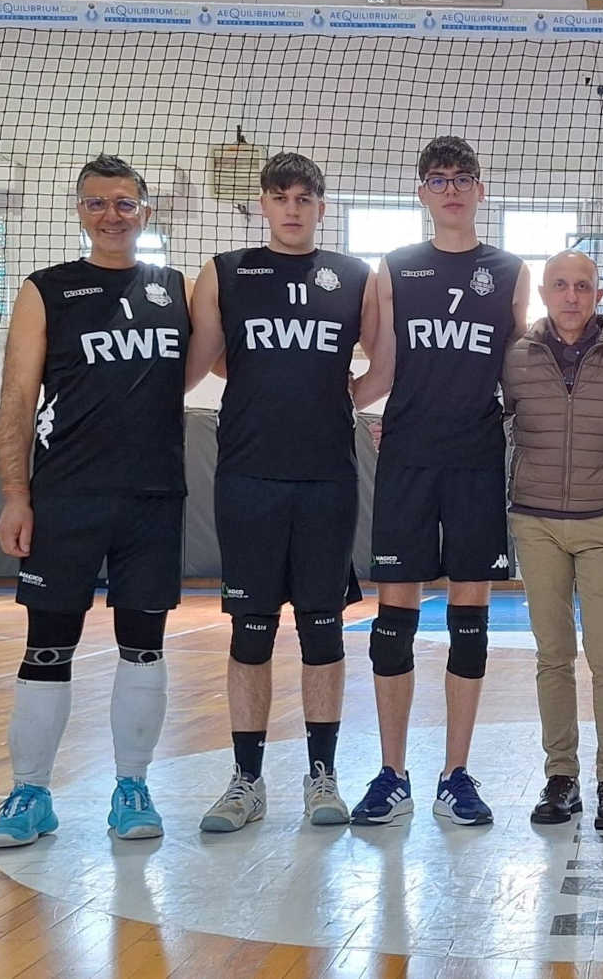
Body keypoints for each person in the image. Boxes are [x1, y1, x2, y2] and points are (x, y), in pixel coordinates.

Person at [0, 155, 187, 847]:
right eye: (97, 203)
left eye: (124, 203)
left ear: (145, 213)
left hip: (152, 501)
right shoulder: (47, 290)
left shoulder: (175, 291)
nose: (111, 215)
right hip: (65, 498)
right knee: (47, 648)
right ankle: (29, 795)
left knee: (144, 648)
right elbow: (16, 398)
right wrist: (16, 494)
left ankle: (132, 786)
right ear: (79, 212)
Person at [185, 152, 374, 832]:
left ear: (322, 207)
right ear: (262, 205)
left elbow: (385, 358)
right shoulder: (227, 272)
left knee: (324, 633)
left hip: (326, 477)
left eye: (305, 198)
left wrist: (351, 395)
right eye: (280, 196)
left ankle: (322, 775)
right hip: (248, 476)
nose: (292, 208)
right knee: (251, 634)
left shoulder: (355, 276)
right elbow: (203, 358)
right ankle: (246, 780)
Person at [350, 135, 530, 826]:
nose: (451, 188)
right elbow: (385, 367)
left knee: (469, 622)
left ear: (480, 190)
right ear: (422, 193)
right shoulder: (395, 269)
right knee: (393, 623)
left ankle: (456, 773)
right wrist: (325, 398)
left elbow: (520, 368)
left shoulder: (509, 270)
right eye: (437, 179)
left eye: (462, 178)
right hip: (409, 458)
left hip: (477, 459)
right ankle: (392, 772)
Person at [502, 250, 603, 830]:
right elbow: (485, 421)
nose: (572, 295)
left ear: (598, 292)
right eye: (561, 285)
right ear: (544, 292)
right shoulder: (515, 357)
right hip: (536, 524)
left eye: (583, 286)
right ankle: (560, 777)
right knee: (552, 656)